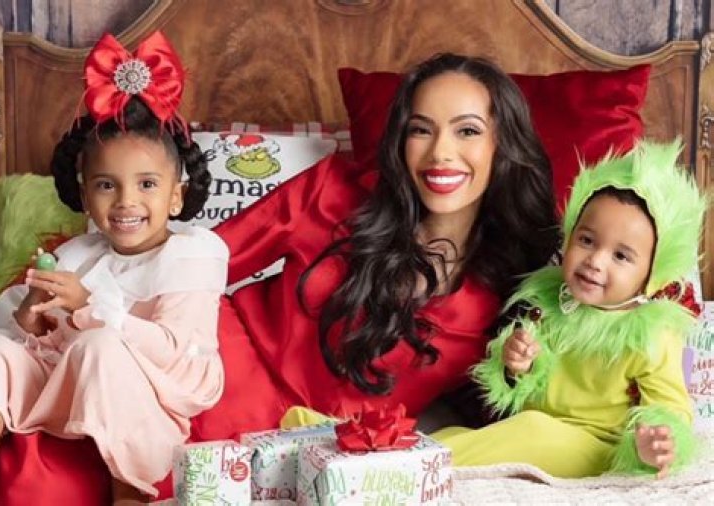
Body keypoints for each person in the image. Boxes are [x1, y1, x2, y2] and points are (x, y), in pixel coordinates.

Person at [191, 52, 559, 443]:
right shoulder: (330, 191)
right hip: (225, 384)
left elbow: (506, 405)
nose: (440, 152)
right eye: (421, 130)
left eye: (467, 131)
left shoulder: (513, 285)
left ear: (502, 144)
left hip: (342, 452)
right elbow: (195, 263)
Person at [0, 32, 228, 503]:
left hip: (151, 395)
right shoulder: (80, 254)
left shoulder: (191, 257)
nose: (126, 201)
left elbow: (173, 353)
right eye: (106, 185)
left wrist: (89, 307)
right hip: (68, 383)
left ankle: (129, 494)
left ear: (176, 196)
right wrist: (36, 319)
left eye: (147, 184)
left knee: (99, 346)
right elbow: (49, 347)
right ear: (85, 195)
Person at [431, 140, 707, 478]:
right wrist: (517, 365)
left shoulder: (651, 335)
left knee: (532, 430)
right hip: (536, 427)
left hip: (595, 444)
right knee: (460, 433)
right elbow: (519, 389)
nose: (595, 261)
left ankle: (427, 465)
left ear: (651, 274)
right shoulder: (548, 304)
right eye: (587, 240)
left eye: (621, 256)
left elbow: (670, 407)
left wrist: (658, 442)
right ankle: (420, 452)